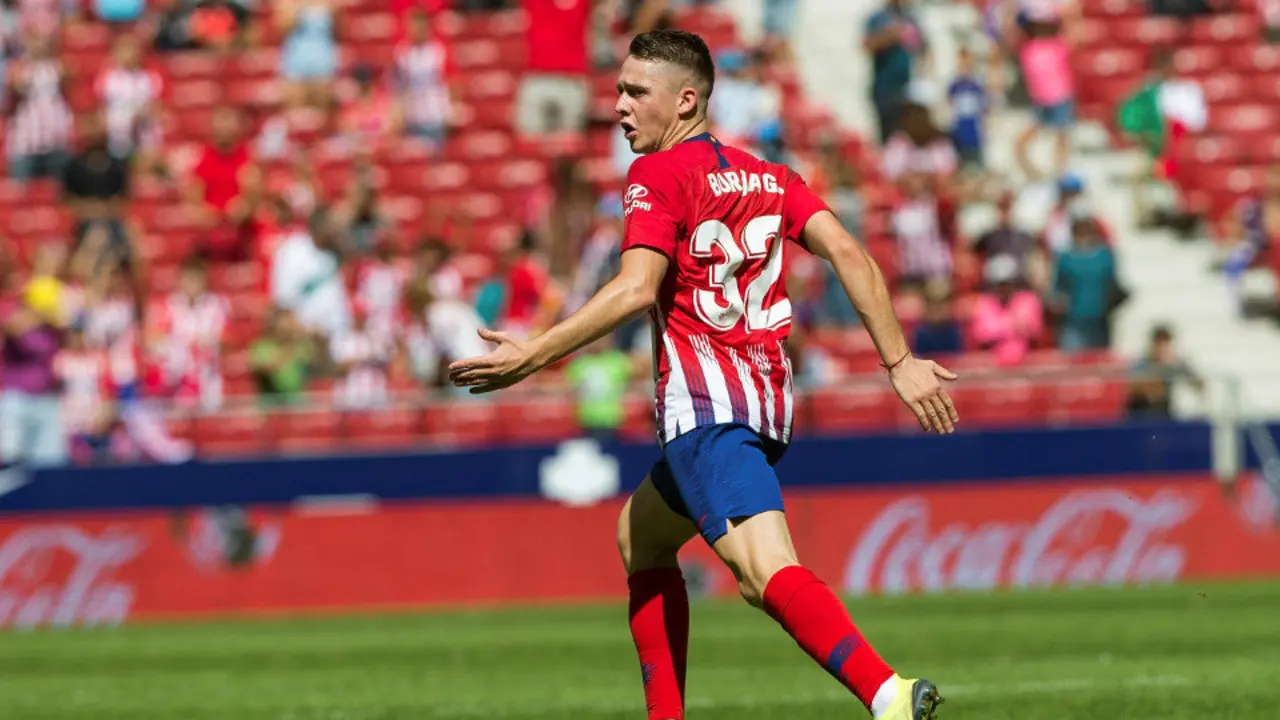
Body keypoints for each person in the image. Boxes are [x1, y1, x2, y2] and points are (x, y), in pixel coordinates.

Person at [448, 29, 953, 720]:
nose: (620, 106)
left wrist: (532, 356)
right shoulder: (771, 176)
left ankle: (884, 692)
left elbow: (633, 290)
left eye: (635, 93)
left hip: (705, 407)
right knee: (642, 535)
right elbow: (849, 253)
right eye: (619, 90)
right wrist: (899, 361)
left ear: (686, 101)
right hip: (765, 403)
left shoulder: (657, 175)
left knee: (761, 571)